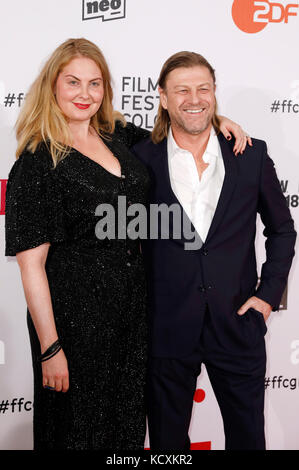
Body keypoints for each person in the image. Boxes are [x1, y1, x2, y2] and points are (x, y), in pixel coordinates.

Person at [5, 38, 249, 450]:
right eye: (73, 82)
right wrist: (50, 347)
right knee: (77, 430)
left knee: (125, 430)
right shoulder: (35, 163)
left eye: (95, 83)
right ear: (52, 86)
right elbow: (32, 266)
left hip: (132, 316)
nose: (85, 94)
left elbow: (180, 126)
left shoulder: (117, 135)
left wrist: (221, 120)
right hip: (73, 322)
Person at [131, 51, 297, 450]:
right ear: (162, 96)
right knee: (169, 448)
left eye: (203, 88)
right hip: (166, 330)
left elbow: (282, 230)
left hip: (238, 326)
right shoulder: (138, 158)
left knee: (248, 441)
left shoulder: (251, 154)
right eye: (182, 90)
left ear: (215, 92)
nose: (194, 98)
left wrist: (267, 296)